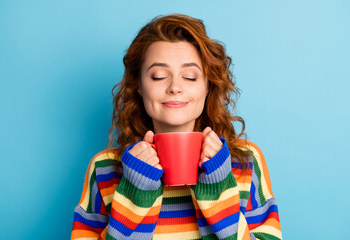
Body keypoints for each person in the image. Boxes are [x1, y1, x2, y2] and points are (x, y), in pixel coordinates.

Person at [70, 13, 282, 240]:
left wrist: (219, 188)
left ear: (208, 86)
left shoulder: (245, 161)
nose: (175, 87)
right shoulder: (105, 169)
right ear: (139, 86)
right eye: (159, 76)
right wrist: (134, 194)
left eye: (190, 76)